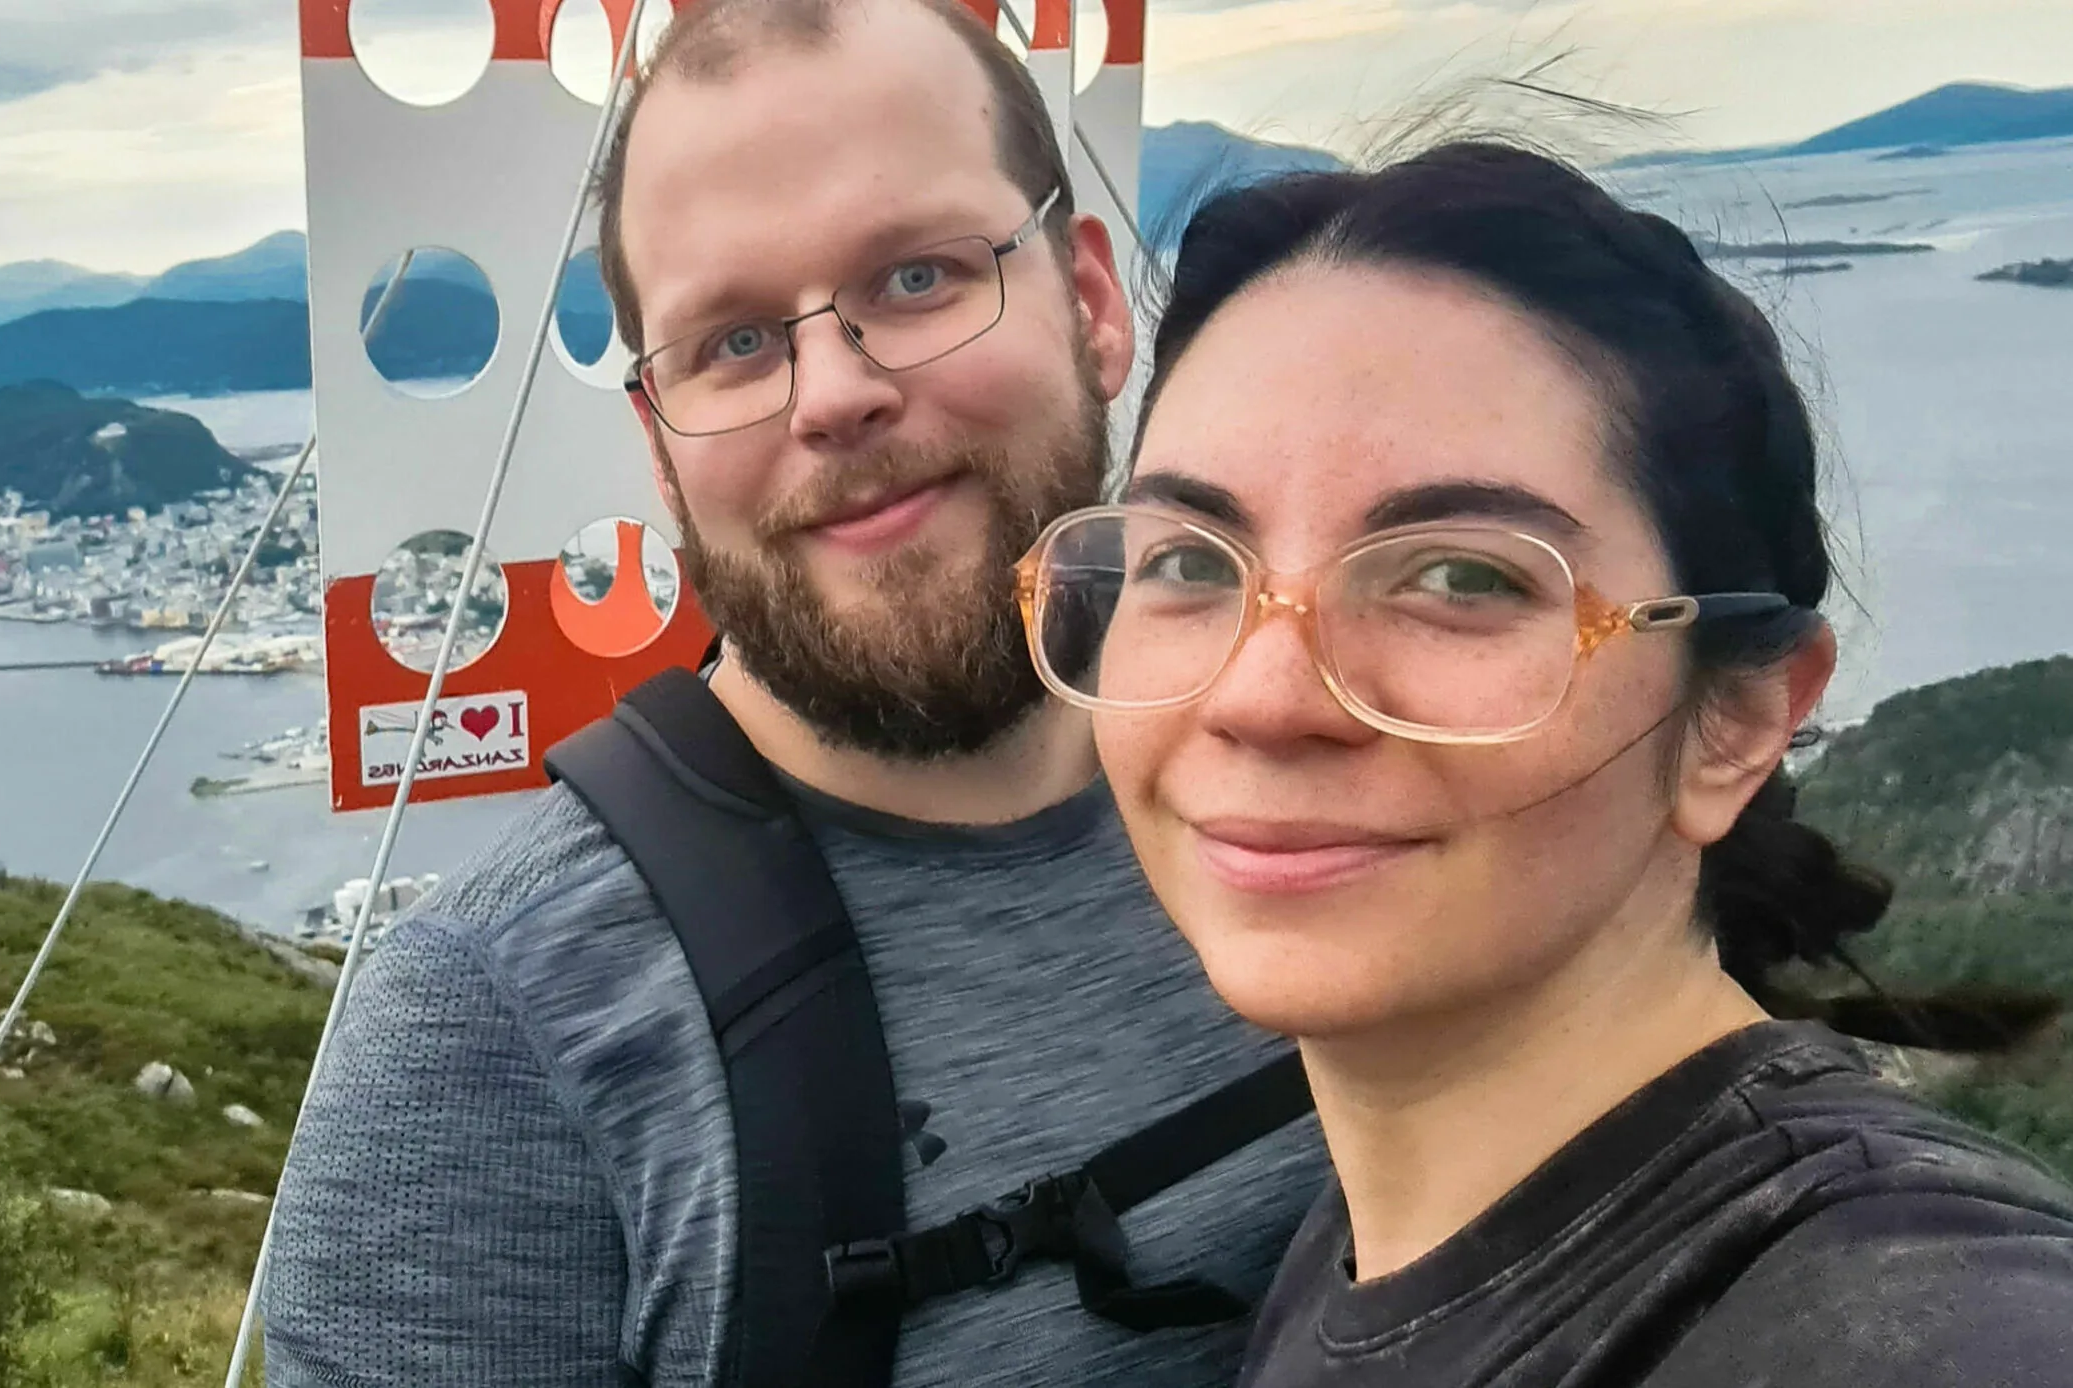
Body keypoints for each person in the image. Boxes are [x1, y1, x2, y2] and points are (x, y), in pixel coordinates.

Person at [252, 0, 1329, 1383]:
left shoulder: (1344, 731)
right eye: (736, 344)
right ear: (657, 449)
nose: (833, 394)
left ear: (1096, 307)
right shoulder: (494, 1057)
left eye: (921, 278)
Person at [1014, 138, 2073, 1387]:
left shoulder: (1903, 1317)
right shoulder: (1376, 1227)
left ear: (1733, 719)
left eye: (1462, 577)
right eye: (1188, 562)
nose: (1260, 695)